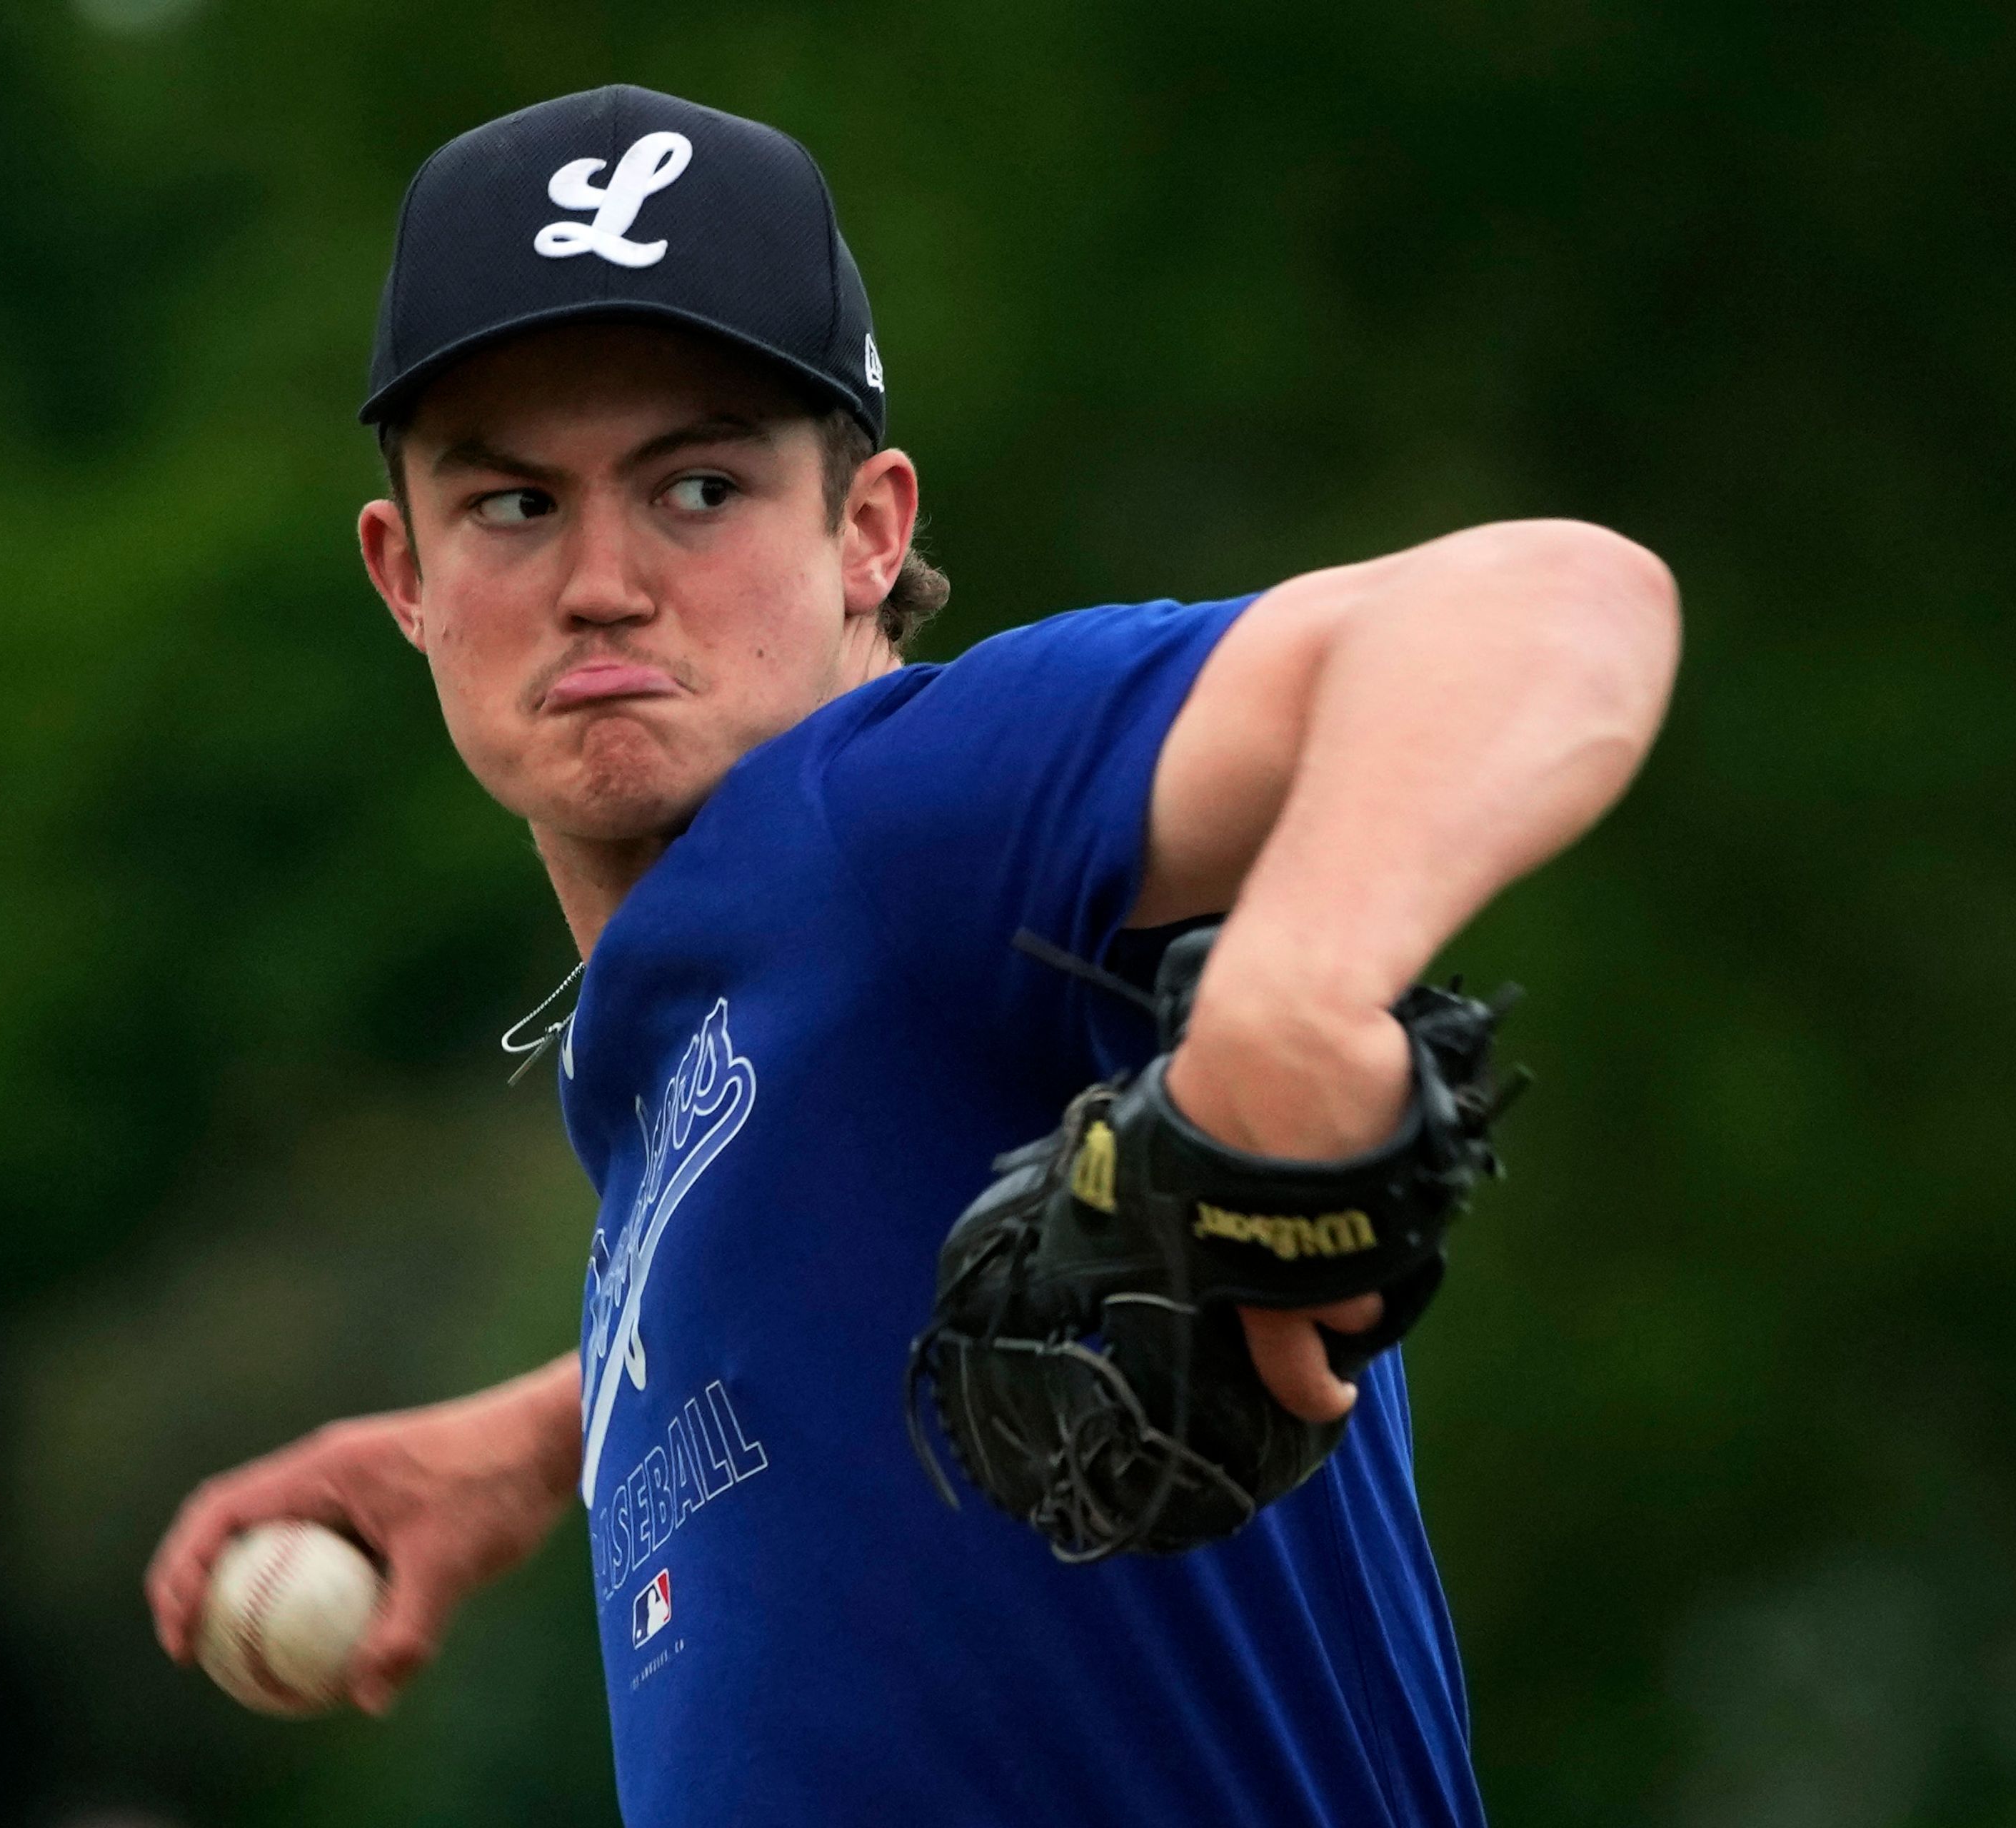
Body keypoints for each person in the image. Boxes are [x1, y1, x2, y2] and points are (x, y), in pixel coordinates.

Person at [146, 84, 1678, 1825]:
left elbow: (1555, 603)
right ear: (400, 570)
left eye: (699, 485)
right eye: (510, 507)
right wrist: (548, 1434)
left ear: (869, 527)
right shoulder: (681, 1026)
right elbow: (867, 1252)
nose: (602, 581)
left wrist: (1291, 992)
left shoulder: (888, 814)